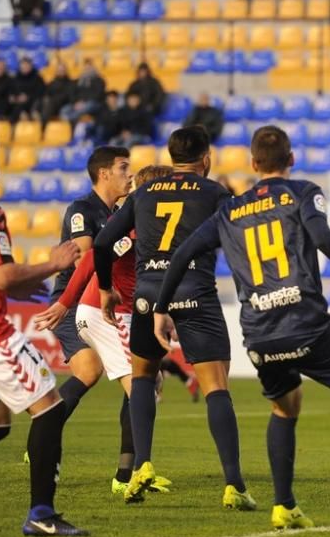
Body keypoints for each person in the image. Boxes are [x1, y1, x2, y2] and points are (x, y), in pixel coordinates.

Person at [153, 125, 330, 528]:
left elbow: (181, 255)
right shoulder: (301, 192)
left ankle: (284, 505)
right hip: (304, 322)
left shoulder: (228, 210)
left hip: (259, 330)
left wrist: (162, 309)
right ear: (291, 159)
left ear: (253, 163)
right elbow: (323, 239)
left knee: (284, 406)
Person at [93, 126, 253, 508]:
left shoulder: (144, 191)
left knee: (143, 378)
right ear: (206, 158)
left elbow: (101, 242)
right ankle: (234, 485)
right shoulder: (215, 192)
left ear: (170, 155)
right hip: (194, 290)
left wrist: (105, 288)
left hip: (147, 295)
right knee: (215, 386)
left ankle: (141, 467)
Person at [0, 127, 86, 536]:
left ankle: (42, 513)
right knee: (50, 407)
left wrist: (28, 283)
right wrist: (53, 263)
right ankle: (41, 514)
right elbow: (3, 276)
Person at [33, 163, 174, 495]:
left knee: (149, 383)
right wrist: (64, 303)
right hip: (103, 313)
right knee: (143, 388)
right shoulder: (134, 226)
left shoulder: (153, 224)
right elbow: (93, 259)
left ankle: (130, 471)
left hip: (124, 314)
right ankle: (132, 474)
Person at [46, 146, 132, 437]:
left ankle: (130, 463)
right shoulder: (81, 209)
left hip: (103, 303)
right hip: (71, 302)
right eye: (123, 167)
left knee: (140, 374)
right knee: (89, 370)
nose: (129, 174)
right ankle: (43, 436)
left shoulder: (119, 213)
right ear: (104, 173)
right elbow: (85, 257)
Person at [60, 58, 106, 124]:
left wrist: (83, 102)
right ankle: (70, 119)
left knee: (88, 106)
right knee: (64, 109)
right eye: (86, 66)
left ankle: (71, 118)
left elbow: (97, 95)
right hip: (78, 103)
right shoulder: (78, 80)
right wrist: (75, 102)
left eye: (89, 66)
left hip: (92, 103)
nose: (87, 69)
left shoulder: (99, 80)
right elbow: (72, 93)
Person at [8, 57, 45, 123]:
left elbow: (41, 92)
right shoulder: (15, 78)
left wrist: (28, 97)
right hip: (19, 104)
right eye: (23, 65)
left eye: (27, 65)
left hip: (33, 103)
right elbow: (11, 91)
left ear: (31, 66)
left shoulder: (37, 78)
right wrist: (14, 97)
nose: (25, 67)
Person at [39, 60, 75, 126]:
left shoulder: (70, 83)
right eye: (59, 70)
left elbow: (69, 97)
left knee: (50, 103)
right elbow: (46, 93)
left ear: (66, 71)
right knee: (44, 101)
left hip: (63, 106)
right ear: (56, 71)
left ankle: (42, 124)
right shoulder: (52, 83)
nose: (61, 71)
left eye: (63, 70)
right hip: (51, 106)